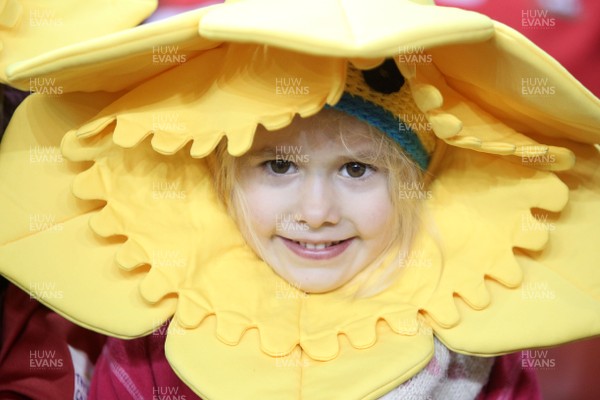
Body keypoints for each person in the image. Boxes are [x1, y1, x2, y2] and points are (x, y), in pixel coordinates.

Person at [1, 0, 599, 399]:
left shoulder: (471, 345)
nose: (316, 212)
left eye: (358, 168)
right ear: (222, 176)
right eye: (278, 165)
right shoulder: (159, 335)